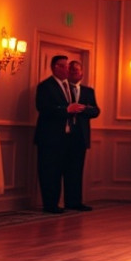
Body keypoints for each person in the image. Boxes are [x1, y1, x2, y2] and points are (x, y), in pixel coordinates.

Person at [34, 55, 95, 213]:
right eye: (65, 66)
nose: (69, 69)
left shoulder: (70, 86)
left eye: (68, 66)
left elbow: (88, 107)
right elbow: (43, 108)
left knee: (72, 171)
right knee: (50, 171)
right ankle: (50, 204)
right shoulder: (45, 86)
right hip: (50, 137)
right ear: (56, 67)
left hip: (70, 137)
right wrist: (66, 110)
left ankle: (73, 202)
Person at [63, 60, 100, 211]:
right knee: (62, 169)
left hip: (81, 136)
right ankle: (61, 202)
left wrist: (83, 109)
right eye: (71, 71)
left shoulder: (88, 91)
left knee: (77, 170)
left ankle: (75, 201)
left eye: (77, 71)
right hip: (64, 134)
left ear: (82, 73)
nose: (74, 73)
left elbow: (96, 111)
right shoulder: (63, 89)